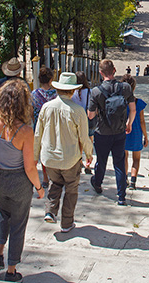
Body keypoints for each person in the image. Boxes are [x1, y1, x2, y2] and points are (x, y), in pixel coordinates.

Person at [0, 79, 44, 282]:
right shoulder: (25, 131)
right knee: (18, 223)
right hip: (19, 181)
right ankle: (12, 269)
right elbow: (30, 166)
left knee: (2, 215)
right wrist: (39, 187)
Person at [34, 72, 93, 232]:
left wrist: (34, 157)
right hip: (70, 158)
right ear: (73, 90)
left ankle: (50, 211)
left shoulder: (46, 107)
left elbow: (37, 134)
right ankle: (67, 223)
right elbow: (84, 137)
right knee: (71, 189)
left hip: (49, 158)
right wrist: (89, 154)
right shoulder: (78, 110)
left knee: (55, 184)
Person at [87, 59, 136, 206]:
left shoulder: (96, 91)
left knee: (101, 161)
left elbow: (90, 115)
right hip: (120, 131)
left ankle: (98, 183)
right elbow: (132, 109)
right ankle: (121, 196)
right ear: (114, 70)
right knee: (119, 163)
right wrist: (129, 123)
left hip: (102, 132)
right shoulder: (126, 88)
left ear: (101, 73)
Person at [31, 67, 57, 187]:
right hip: (54, 127)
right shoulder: (56, 94)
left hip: (39, 127)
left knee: (43, 153)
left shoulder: (34, 94)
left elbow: (31, 111)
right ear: (51, 79)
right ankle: (55, 176)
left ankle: (45, 178)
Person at [121, 75, 148, 190]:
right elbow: (142, 121)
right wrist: (146, 136)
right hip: (136, 132)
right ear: (134, 88)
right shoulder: (138, 103)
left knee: (124, 157)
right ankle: (133, 181)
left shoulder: (120, 102)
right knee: (136, 158)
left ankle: (124, 179)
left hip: (123, 132)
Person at [71, 71, 93, 174]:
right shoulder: (90, 92)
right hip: (87, 120)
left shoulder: (71, 92)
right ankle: (88, 164)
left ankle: (79, 162)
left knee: (78, 143)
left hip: (75, 120)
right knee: (89, 142)